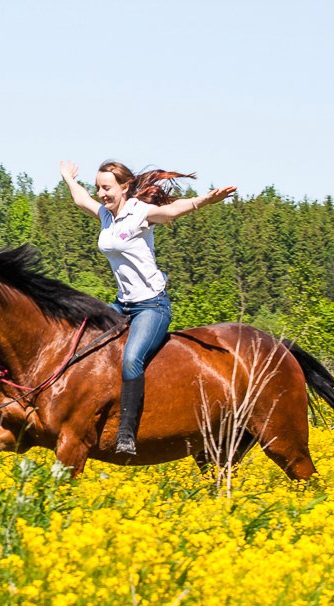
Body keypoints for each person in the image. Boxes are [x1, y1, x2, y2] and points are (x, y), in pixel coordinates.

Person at [59, 159, 236, 454]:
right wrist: (68, 178)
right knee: (78, 337)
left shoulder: (139, 213)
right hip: (122, 304)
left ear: (125, 187)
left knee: (131, 359)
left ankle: (127, 433)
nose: (102, 194)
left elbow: (170, 211)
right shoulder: (106, 215)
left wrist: (205, 200)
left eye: (107, 188)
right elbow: (81, 200)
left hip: (151, 305)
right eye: (99, 188)